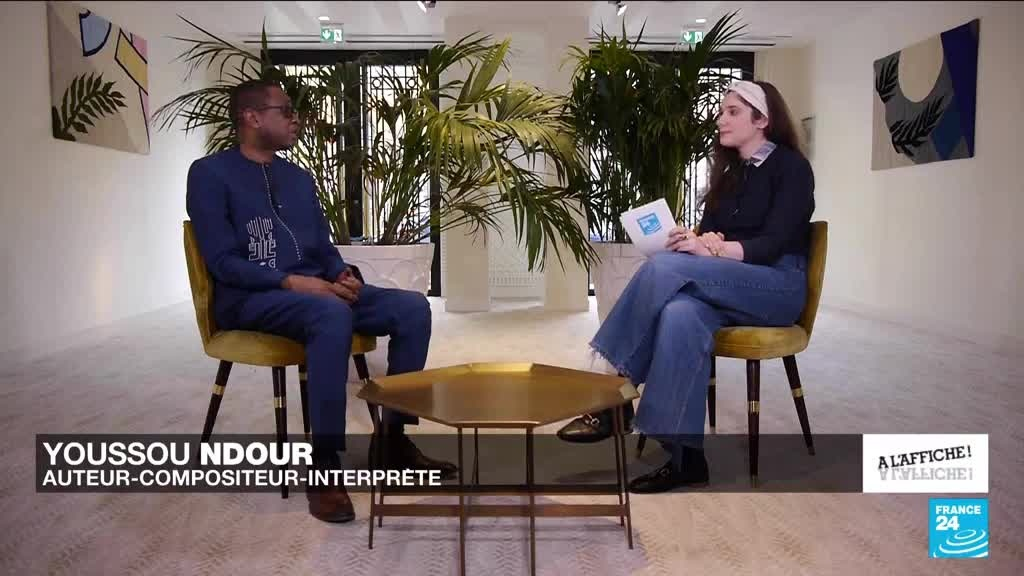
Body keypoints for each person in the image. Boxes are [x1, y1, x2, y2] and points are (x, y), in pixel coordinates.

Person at [186, 79, 457, 522]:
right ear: (251, 117)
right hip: (251, 299)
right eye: (285, 110)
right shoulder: (210, 174)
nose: (295, 119)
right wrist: (293, 283)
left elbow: (322, 248)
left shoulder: (298, 178)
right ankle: (325, 465)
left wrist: (341, 275)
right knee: (330, 313)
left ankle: (392, 441)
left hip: (315, 291)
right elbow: (221, 261)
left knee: (412, 307)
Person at [557, 80, 815, 493]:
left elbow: (773, 243)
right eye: (721, 111)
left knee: (664, 268)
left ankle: (613, 395)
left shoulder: (792, 168)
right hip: (730, 285)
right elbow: (714, 233)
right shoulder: (730, 174)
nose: (721, 119)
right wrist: (696, 239)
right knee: (681, 314)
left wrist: (713, 249)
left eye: (733, 111)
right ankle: (686, 458)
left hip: (777, 287)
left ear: (762, 120)